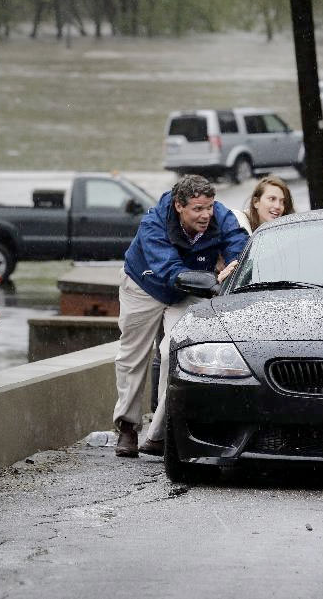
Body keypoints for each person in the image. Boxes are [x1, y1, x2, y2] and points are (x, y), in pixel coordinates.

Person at [112, 175, 249, 457]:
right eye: (198, 209)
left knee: (175, 353)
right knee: (132, 356)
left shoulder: (220, 216)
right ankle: (127, 426)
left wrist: (235, 264)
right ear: (179, 206)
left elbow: (239, 242)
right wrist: (212, 281)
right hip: (145, 284)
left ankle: (160, 434)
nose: (206, 215)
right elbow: (168, 269)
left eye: (209, 207)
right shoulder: (153, 223)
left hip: (189, 289)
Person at [218, 176, 295, 281]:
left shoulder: (288, 233)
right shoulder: (236, 226)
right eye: (272, 199)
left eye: (283, 202)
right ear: (256, 202)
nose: (278, 206)